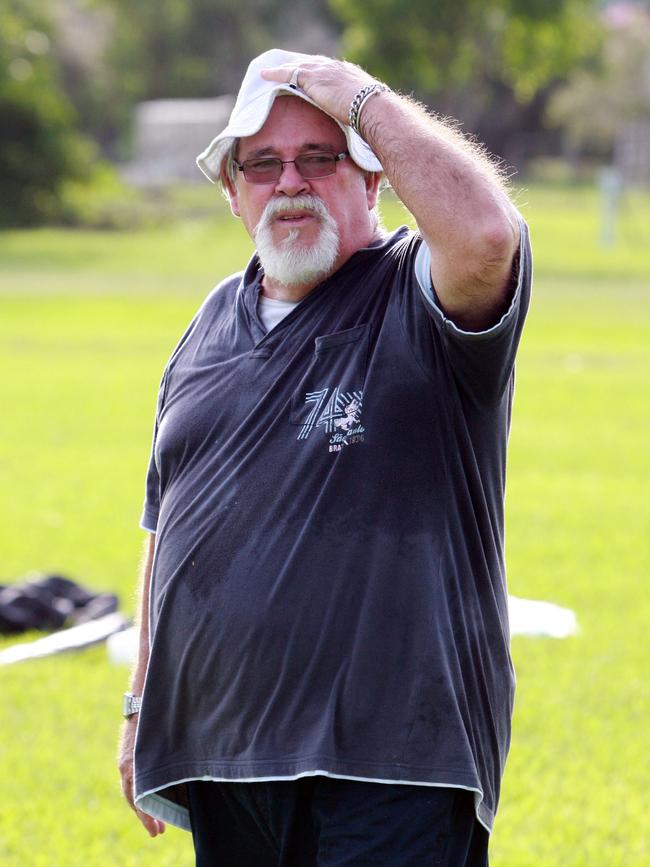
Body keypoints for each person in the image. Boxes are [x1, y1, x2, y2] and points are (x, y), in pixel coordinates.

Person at [118, 47, 532, 866]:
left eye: (321, 156)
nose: (291, 182)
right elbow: (166, 523)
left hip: (393, 762)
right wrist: (139, 706)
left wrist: (356, 96)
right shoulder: (208, 324)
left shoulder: (416, 291)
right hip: (225, 756)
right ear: (233, 192)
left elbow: (488, 236)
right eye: (263, 164)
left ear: (373, 180)